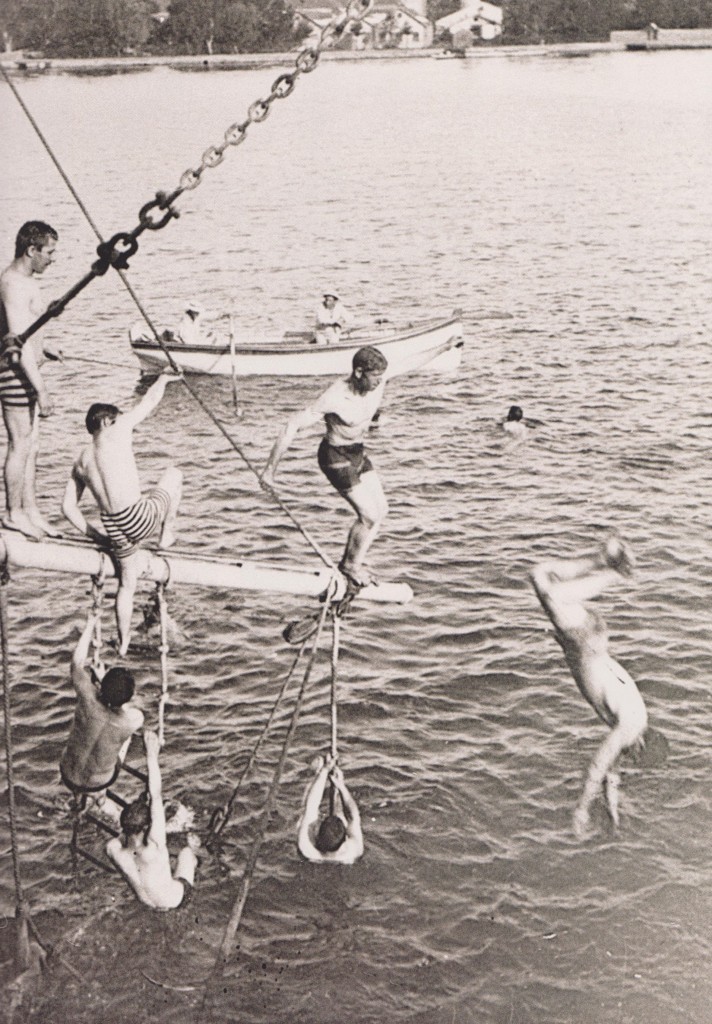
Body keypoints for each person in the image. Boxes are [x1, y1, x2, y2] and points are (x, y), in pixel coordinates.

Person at [530, 537, 649, 837]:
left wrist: (614, 814)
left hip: (592, 640)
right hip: (585, 644)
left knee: (540, 574)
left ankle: (600, 561)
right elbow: (598, 765)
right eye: (634, 756)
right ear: (641, 745)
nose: (628, 758)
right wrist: (581, 810)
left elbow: (611, 774)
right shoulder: (629, 727)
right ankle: (615, 571)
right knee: (554, 594)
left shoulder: (635, 718)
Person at [62, 368, 183, 655]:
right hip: (139, 517)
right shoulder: (116, 430)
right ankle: (166, 534)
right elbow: (148, 402)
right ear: (106, 421)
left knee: (126, 585)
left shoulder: (80, 461)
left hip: (114, 528)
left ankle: (124, 641)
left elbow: (67, 508)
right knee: (175, 475)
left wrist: (96, 536)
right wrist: (164, 378)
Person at [261, 346, 389, 588]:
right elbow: (291, 426)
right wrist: (269, 471)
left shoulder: (376, 383)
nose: (379, 382)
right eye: (375, 377)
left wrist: (444, 346)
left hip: (357, 452)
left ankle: (356, 561)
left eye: (381, 377)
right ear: (359, 372)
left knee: (381, 509)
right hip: (334, 456)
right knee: (369, 515)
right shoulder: (335, 397)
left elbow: (412, 361)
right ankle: (349, 566)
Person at [0, 221, 61, 540]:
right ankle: (14, 513)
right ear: (31, 249)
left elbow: (27, 329)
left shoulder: (27, 281)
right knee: (20, 443)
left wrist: (44, 348)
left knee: (32, 446)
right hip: (14, 374)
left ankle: (31, 510)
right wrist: (42, 390)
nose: (52, 259)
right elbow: (17, 342)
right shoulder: (12, 284)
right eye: (49, 252)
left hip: (29, 369)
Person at [60, 610, 144, 816]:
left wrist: (91, 622)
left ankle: (79, 799)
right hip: (100, 783)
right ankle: (100, 798)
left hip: (67, 775)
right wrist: (105, 683)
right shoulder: (132, 720)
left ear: (100, 686)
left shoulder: (87, 696)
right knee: (125, 738)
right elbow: (127, 710)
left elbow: (76, 662)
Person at [106, 730, 200, 910]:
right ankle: (198, 853)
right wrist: (151, 754)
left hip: (148, 904)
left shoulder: (112, 849)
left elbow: (123, 833)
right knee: (187, 853)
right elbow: (156, 794)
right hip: (176, 900)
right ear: (146, 827)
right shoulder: (155, 845)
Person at [297, 755, 363, 864]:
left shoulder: (307, 850)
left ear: (317, 836)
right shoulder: (354, 851)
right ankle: (337, 784)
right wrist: (341, 786)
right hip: (344, 859)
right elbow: (353, 816)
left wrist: (324, 771)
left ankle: (317, 774)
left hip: (316, 858)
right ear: (345, 840)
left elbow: (310, 807)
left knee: (304, 816)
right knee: (341, 815)